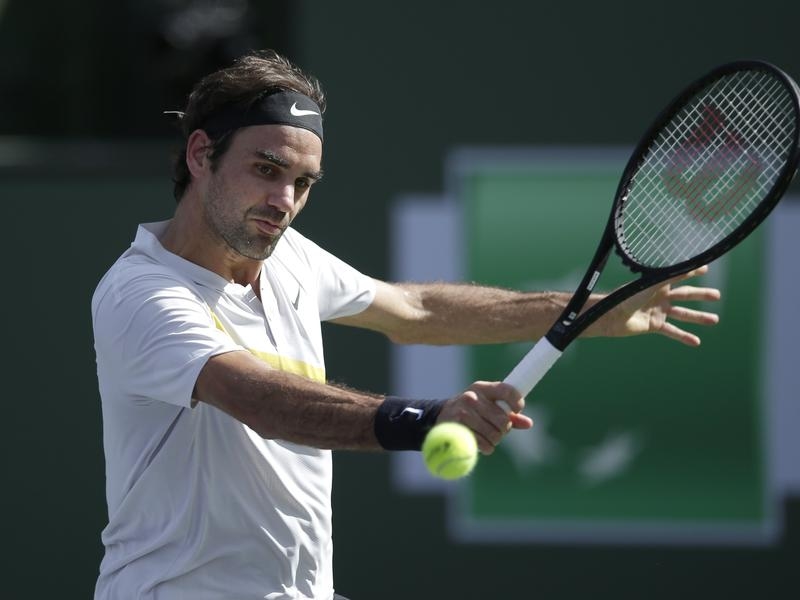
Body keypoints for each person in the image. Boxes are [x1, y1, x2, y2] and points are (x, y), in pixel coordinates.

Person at [91, 49, 721, 600]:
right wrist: (425, 418)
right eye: (266, 170)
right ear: (201, 154)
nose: (285, 201)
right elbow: (261, 402)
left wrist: (591, 313)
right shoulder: (142, 294)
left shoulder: (289, 257)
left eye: (303, 183)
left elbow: (415, 311)